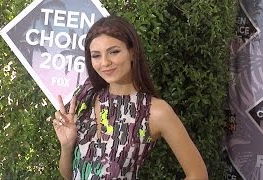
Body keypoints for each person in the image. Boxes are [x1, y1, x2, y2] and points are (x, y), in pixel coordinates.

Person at [52, 15, 208, 180]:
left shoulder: (155, 111)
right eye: (96, 55)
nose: (104, 62)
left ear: (132, 52)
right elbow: (69, 175)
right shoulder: (87, 95)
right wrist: (67, 146)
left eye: (114, 52)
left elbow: (198, 175)